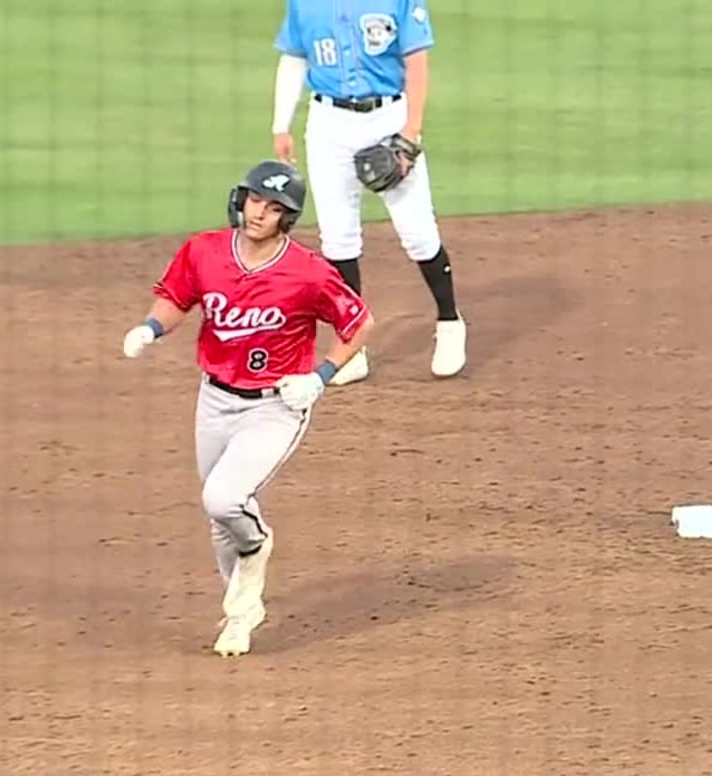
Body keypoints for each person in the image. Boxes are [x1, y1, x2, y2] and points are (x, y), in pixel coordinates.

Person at [120, 160, 375, 657]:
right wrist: (149, 329)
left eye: (275, 207)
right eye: (257, 200)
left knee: (223, 499)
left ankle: (257, 547)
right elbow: (177, 298)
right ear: (242, 199)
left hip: (275, 406)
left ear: (287, 218)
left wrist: (320, 377)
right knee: (220, 519)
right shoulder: (205, 251)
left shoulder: (307, 271)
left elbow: (359, 323)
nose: (261, 212)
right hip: (214, 398)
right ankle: (241, 612)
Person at [268, 0, 465, 385]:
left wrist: (409, 135)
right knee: (338, 239)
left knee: (418, 233)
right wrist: (281, 125)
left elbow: (416, 63)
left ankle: (449, 321)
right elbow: (294, 58)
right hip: (328, 124)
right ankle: (352, 345)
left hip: (388, 118)